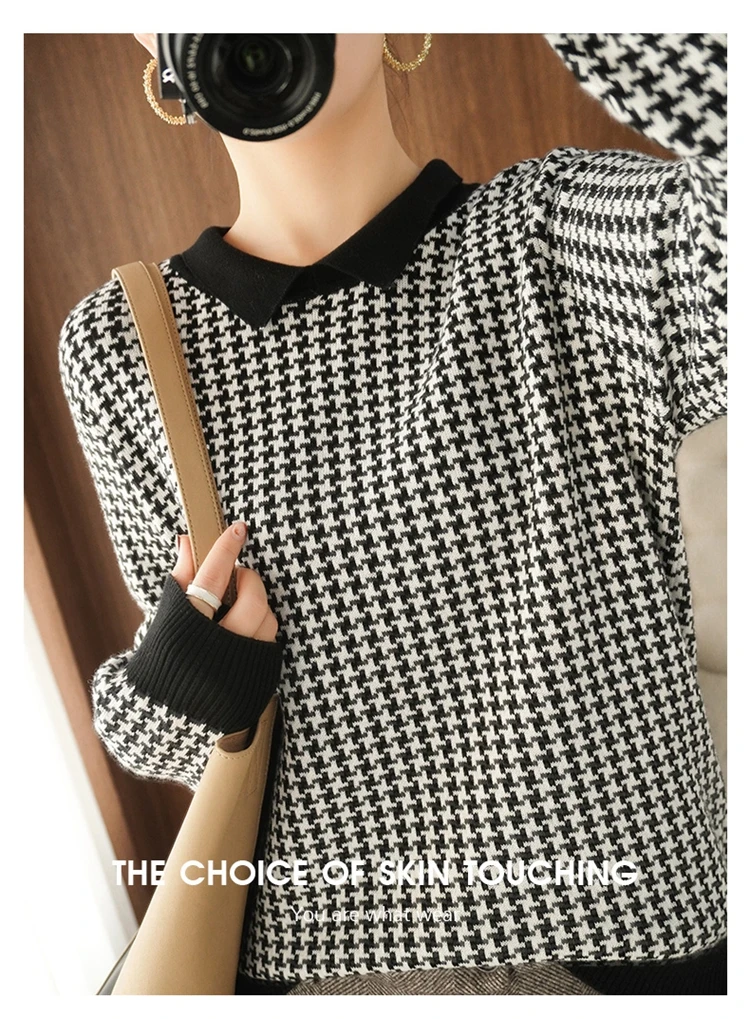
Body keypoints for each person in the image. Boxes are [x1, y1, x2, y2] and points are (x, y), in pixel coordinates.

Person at [58, 33, 727, 995]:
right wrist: (184, 676)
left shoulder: (561, 237)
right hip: (314, 960)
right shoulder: (124, 344)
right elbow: (169, 738)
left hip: (616, 945)